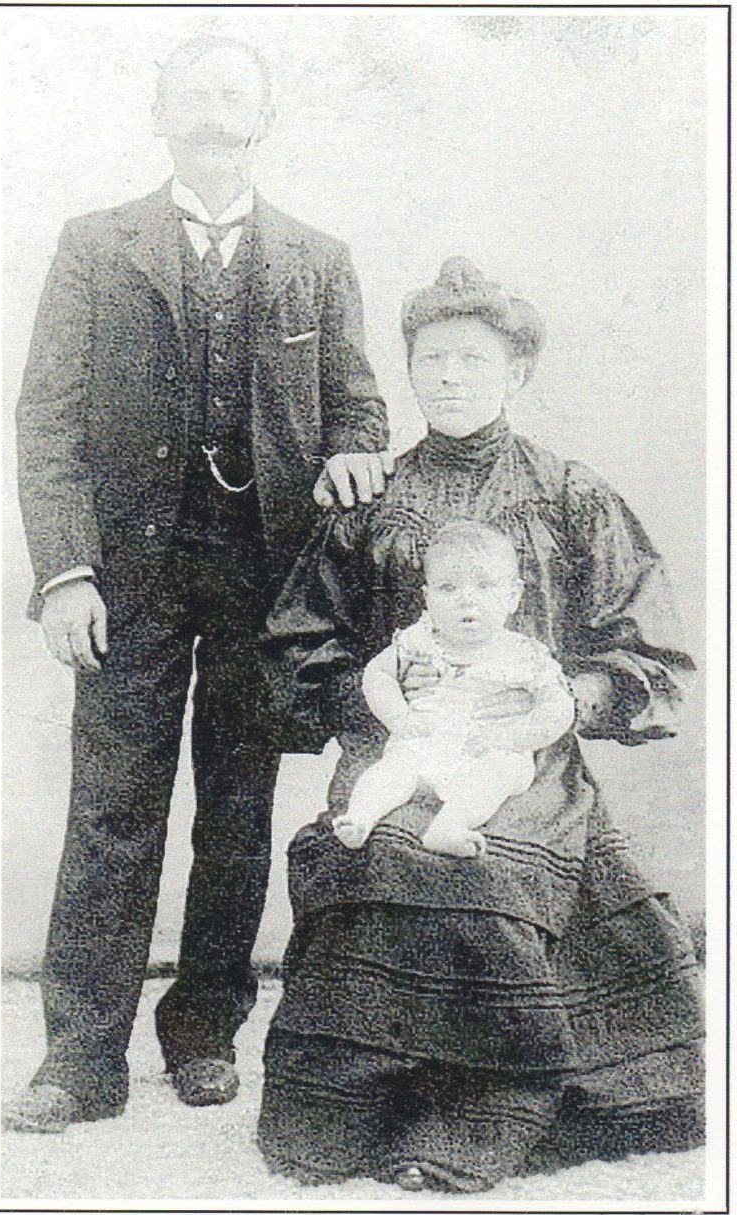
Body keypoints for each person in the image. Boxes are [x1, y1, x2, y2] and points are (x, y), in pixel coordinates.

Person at [7, 34, 390, 1133]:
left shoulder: (316, 255)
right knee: (112, 807)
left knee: (236, 805)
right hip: (128, 572)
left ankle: (206, 1030)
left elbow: (358, 403)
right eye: (195, 93)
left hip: (264, 577)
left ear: (264, 117)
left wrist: (353, 448)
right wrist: (67, 573)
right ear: (160, 114)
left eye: (235, 93)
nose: (215, 110)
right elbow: (47, 418)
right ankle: (81, 1057)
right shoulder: (96, 244)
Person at [257, 257, 704, 1192]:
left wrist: (561, 700)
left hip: (527, 760)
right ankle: (370, 1107)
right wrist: (382, 705)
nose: (450, 377)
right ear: (409, 370)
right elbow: (300, 644)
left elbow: (651, 659)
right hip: (402, 744)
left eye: (473, 359)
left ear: (517, 372)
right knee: (382, 845)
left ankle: (489, 1109)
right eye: (431, 359)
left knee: (493, 863)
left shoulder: (570, 492)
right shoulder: (370, 498)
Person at [333, 521, 575, 856]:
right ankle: (360, 816)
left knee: (499, 774)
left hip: (489, 748)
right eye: (448, 588)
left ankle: (449, 827)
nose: (467, 600)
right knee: (392, 770)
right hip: (424, 740)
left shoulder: (526, 653)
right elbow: (378, 674)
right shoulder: (420, 641)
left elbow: (559, 706)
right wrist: (399, 718)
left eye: (485, 586)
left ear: (513, 596)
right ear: (427, 598)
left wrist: (515, 737)